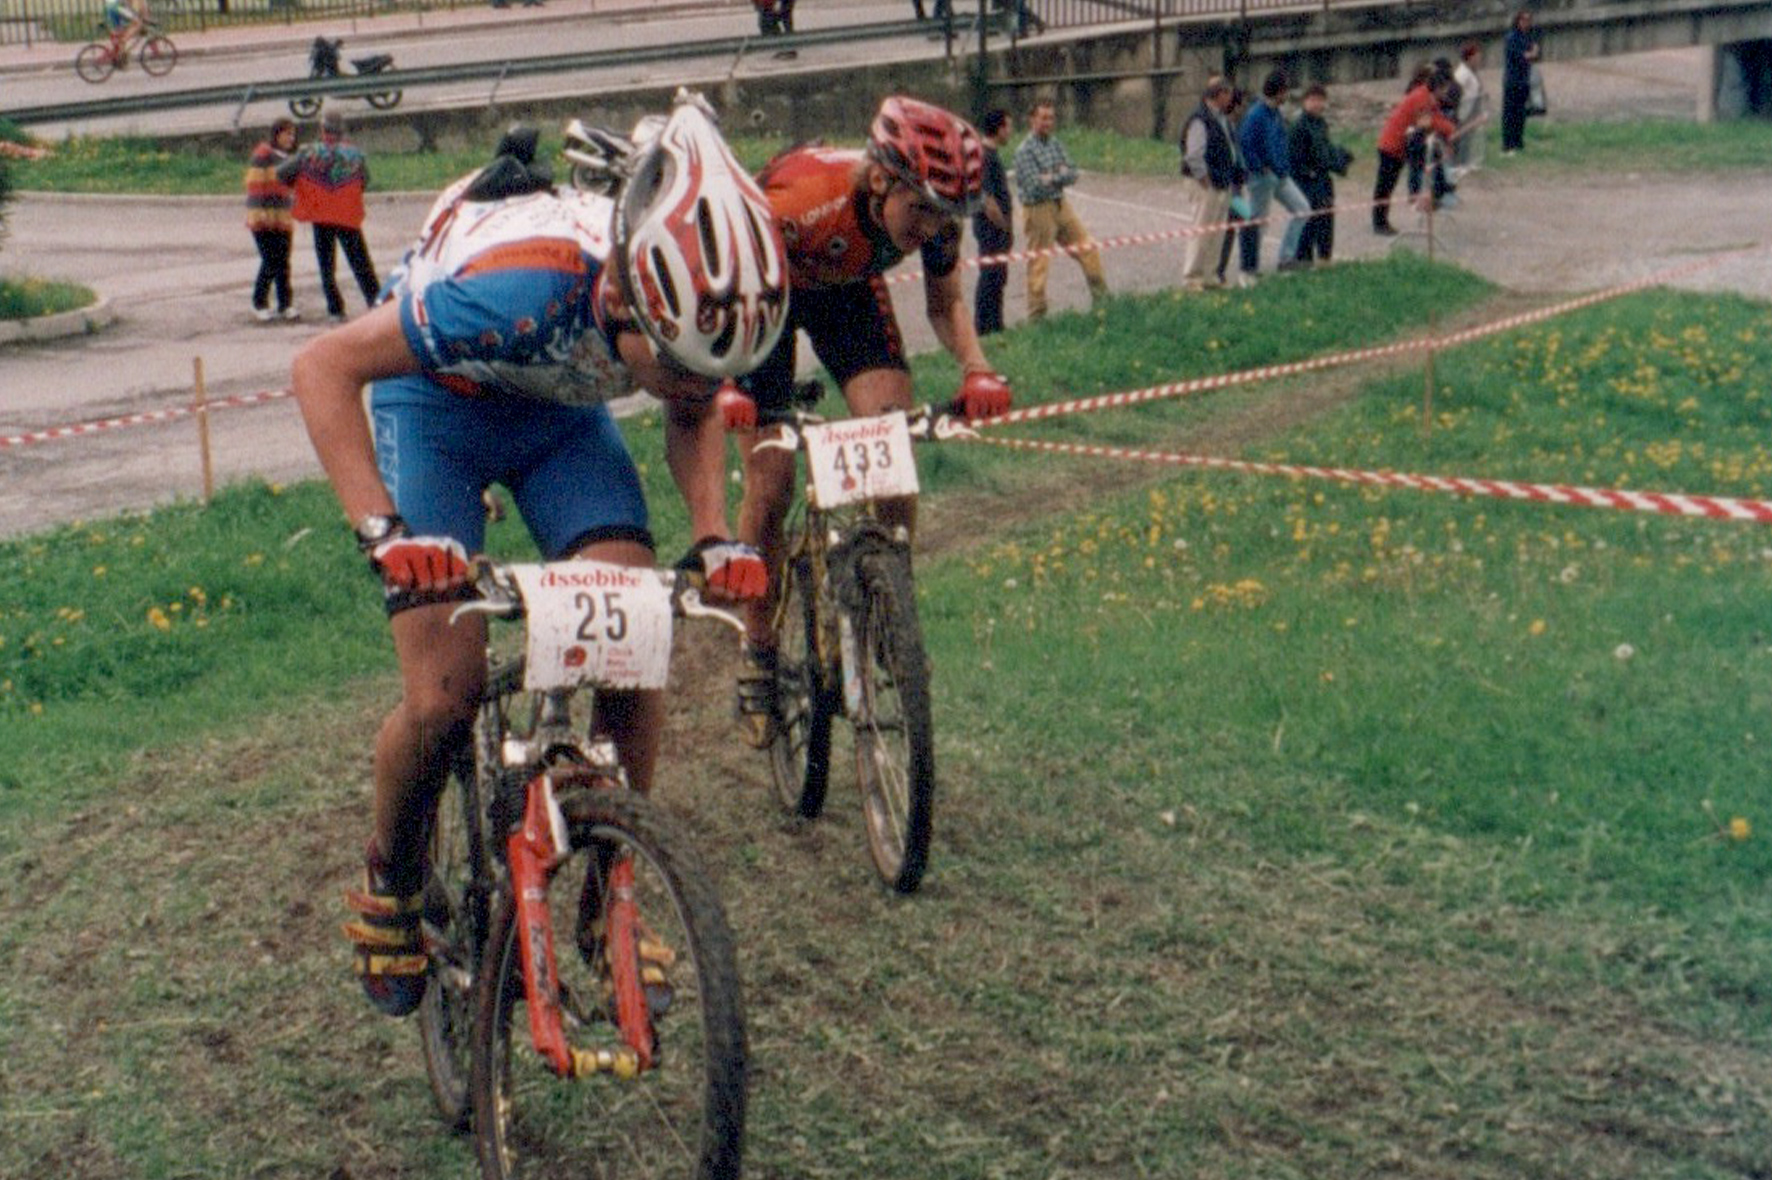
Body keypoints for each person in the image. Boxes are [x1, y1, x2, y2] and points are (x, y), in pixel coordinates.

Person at [290, 98, 789, 1018]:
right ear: (622, 297)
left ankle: (610, 898)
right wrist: (386, 537)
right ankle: (391, 881)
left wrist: (714, 534)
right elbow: (322, 367)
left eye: (706, 370)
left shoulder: (676, 313)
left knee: (635, 634)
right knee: (444, 695)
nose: (690, 388)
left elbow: (692, 412)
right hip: (433, 400)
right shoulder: (519, 286)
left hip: (557, 411)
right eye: (673, 363)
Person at [729, 96, 1013, 745]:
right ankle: (759, 652)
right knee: (769, 483)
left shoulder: (936, 212)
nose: (931, 228)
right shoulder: (803, 195)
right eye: (920, 210)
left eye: (945, 216)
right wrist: (726, 386)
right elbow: (722, 291)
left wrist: (978, 368)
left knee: (890, 443)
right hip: (761, 297)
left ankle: (890, 611)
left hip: (849, 293)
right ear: (881, 178)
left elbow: (945, 304)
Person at [277, 111, 380, 323]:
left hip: (320, 215)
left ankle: (335, 309)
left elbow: (282, 173)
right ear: (342, 130)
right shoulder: (355, 155)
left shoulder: (309, 153)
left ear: (322, 130)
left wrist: (302, 186)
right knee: (360, 261)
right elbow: (364, 181)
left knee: (326, 265)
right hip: (347, 216)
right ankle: (375, 302)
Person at [1012, 98, 1108, 319]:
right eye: (1043, 118)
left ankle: (1103, 299)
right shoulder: (1024, 151)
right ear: (1032, 120)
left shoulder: (1055, 144)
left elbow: (1073, 172)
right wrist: (1059, 175)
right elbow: (1034, 185)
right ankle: (1037, 315)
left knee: (1087, 247)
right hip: (1038, 210)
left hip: (1060, 204)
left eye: (1051, 118)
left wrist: (1051, 177)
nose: (1048, 122)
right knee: (1040, 262)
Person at [1236, 70, 1313, 275]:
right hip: (1262, 177)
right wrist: (1258, 167)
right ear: (1278, 92)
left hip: (1280, 175)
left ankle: (1286, 258)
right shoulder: (1256, 115)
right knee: (1259, 222)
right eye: (1285, 91)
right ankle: (1250, 266)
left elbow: (1280, 142)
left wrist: (1283, 166)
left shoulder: (1275, 114)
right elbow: (1245, 144)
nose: (1287, 96)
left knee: (1302, 209)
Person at [1372, 68, 1457, 236]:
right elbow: (1427, 122)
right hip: (1391, 145)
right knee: (1385, 187)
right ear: (1439, 87)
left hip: (1399, 145)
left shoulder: (1428, 98)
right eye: (1445, 87)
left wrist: (1449, 129)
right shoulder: (1421, 98)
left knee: (1388, 186)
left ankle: (1381, 220)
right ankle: (1379, 222)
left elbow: (1436, 118)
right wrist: (1448, 129)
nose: (1446, 91)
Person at [1177, 77, 1243, 291]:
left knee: (1217, 231)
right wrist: (1204, 178)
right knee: (1202, 229)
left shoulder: (1222, 118)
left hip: (1222, 181)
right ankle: (1192, 277)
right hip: (1206, 183)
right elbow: (1194, 154)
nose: (1231, 98)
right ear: (1219, 94)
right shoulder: (1200, 119)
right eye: (1228, 93)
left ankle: (1210, 275)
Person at [1287, 84, 1352, 265]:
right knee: (1308, 223)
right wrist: (1310, 171)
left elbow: (1326, 150)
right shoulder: (1298, 126)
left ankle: (1325, 258)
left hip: (1323, 181)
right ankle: (1303, 260)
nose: (1317, 104)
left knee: (1326, 221)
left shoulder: (1321, 124)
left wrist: (1340, 160)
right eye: (1313, 100)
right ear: (1305, 102)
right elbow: (1295, 159)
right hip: (1306, 181)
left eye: (1320, 100)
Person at [244, 117, 300, 322]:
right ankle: (259, 303)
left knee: (283, 261)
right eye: (286, 134)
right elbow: (256, 184)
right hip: (263, 217)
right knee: (270, 260)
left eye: (293, 134)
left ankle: (285, 304)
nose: (290, 138)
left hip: (283, 217)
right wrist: (260, 213)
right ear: (276, 134)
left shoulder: (289, 157)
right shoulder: (263, 155)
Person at [971, 108, 1014, 334]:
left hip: (997, 230)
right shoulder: (986, 157)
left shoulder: (990, 154)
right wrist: (1003, 225)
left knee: (998, 277)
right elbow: (987, 199)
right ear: (998, 129)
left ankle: (996, 323)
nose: (1010, 131)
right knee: (990, 277)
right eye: (1008, 126)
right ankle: (984, 327)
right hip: (991, 230)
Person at [1501, 9, 1540, 155]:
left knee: (1521, 113)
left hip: (1523, 79)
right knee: (1510, 113)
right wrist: (1532, 53)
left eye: (1528, 20)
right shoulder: (1511, 37)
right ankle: (1507, 144)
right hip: (1512, 80)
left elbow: (1533, 54)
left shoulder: (1527, 37)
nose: (1526, 23)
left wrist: (1533, 53)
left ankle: (1518, 142)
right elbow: (1521, 56)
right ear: (1517, 21)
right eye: (1523, 20)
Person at [1453, 41, 1487, 172]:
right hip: (1465, 109)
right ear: (1470, 57)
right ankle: (1459, 163)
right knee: (1463, 136)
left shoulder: (1472, 71)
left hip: (1473, 107)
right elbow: (1456, 89)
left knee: (1469, 135)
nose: (1479, 60)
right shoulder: (1462, 73)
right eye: (1477, 57)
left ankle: (1465, 161)